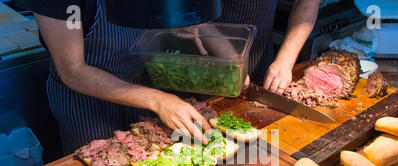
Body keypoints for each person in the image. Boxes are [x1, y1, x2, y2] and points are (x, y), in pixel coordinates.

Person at [18, 0, 320, 154]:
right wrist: (158, 99)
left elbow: (189, 22)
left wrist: (231, 63)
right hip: (84, 103)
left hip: (139, 85)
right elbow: (72, 69)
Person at [217, 0, 321, 94]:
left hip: (261, 56)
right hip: (210, 60)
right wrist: (229, 56)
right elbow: (200, 15)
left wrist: (285, 62)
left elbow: (307, 2)